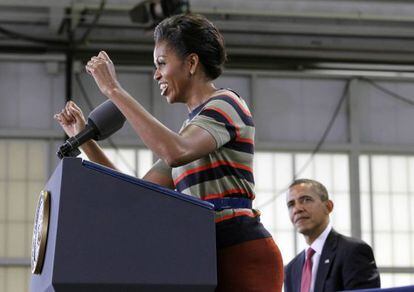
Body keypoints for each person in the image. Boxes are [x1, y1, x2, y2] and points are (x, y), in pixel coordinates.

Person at [54, 13, 283, 292]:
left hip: (239, 251)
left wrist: (113, 90)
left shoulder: (226, 103)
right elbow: (138, 193)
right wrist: (84, 139)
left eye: (162, 63)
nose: (156, 74)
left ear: (191, 63)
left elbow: (176, 151)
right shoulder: (190, 130)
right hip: (201, 252)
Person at [284, 178, 380, 292]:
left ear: (328, 206)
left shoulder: (353, 251)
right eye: (291, 204)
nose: (297, 209)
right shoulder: (291, 269)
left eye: (306, 200)